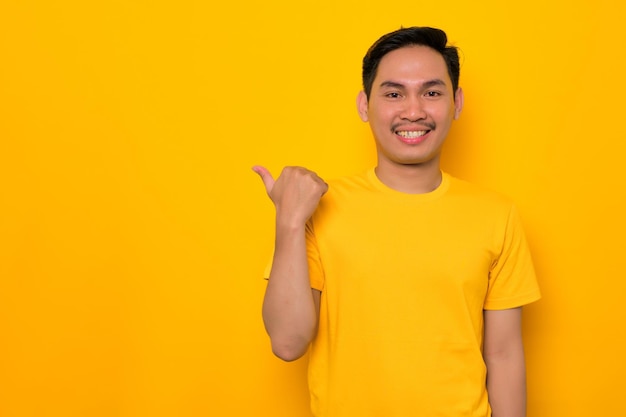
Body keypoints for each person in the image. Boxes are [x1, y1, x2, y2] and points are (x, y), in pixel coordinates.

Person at [253, 26, 540, 417]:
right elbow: (287, 343)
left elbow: (504, 355)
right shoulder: (316, 207)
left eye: (432, 92)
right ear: (363, 105)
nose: (413, 110)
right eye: (393, 93)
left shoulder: (496, 214)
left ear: (456, 103)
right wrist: (288, 220)